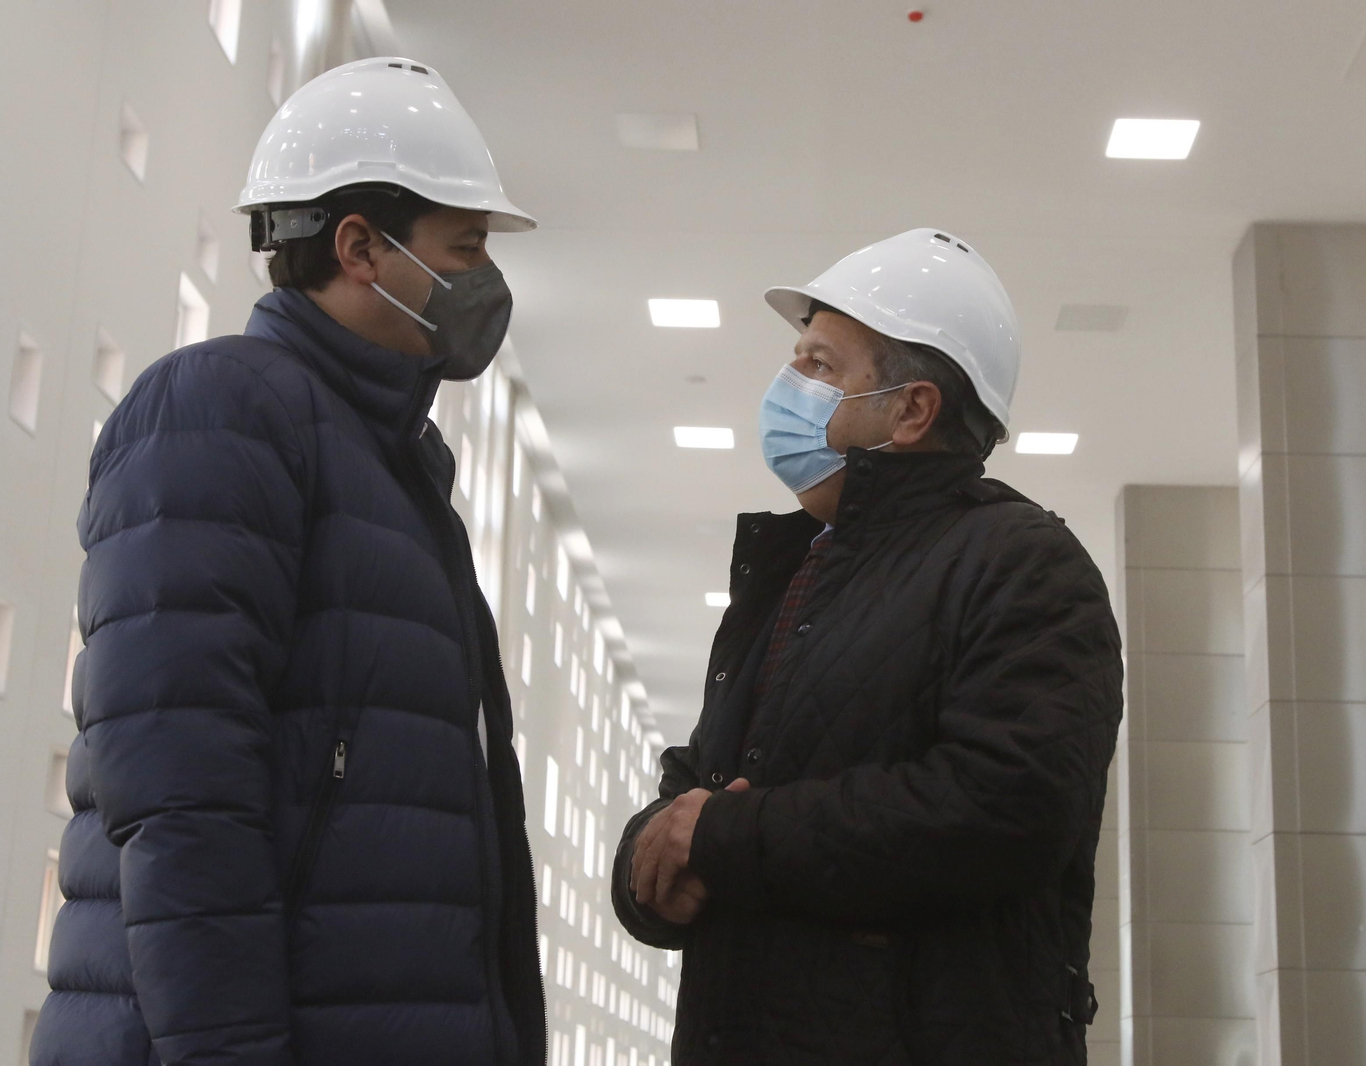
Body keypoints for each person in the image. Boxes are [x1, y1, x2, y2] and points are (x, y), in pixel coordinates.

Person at [32, 58, 546, 1066]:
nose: (485, 281)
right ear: (359, 246)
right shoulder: (222, 410)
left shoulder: (392, 464)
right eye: (467, 247)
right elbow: (181, 793)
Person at [611, 229, 1123, 1065]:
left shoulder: (1024, 563)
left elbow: (1007, 806)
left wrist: (726, 838)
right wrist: (646, 864)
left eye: (819, 367)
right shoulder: (793, 571)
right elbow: (699, 789)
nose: (787, 387)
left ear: (912, 411)